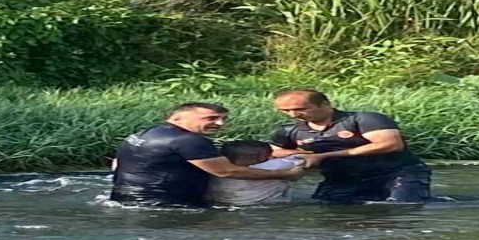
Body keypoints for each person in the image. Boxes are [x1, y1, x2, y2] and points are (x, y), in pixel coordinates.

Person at [110, 102, 304, 208]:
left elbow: (117, 164)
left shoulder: (147, 132)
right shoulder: (189, 141)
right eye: (211, 118)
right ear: (177, 118)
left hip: (123, 198)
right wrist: (285, 174)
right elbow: (227, 172)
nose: (220, 124)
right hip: (165, 205)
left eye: (223, 119)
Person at [270, 89, 431, 203]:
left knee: (402, 207)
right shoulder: (289, 130)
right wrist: (300, 157)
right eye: (286, 111)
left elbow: (391, 145)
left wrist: (323, 156)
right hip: (342, 178)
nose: (293, 115)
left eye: (300, 109)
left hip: (395, 173)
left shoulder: (364, 119)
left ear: (325, 104)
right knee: (325, 207)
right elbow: (272, 152)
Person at [209, 141, 304, 206]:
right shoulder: (275, 165)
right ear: (264, 156)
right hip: (270, 206)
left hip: (224, 204)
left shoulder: (213, 168)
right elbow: (304, 160)